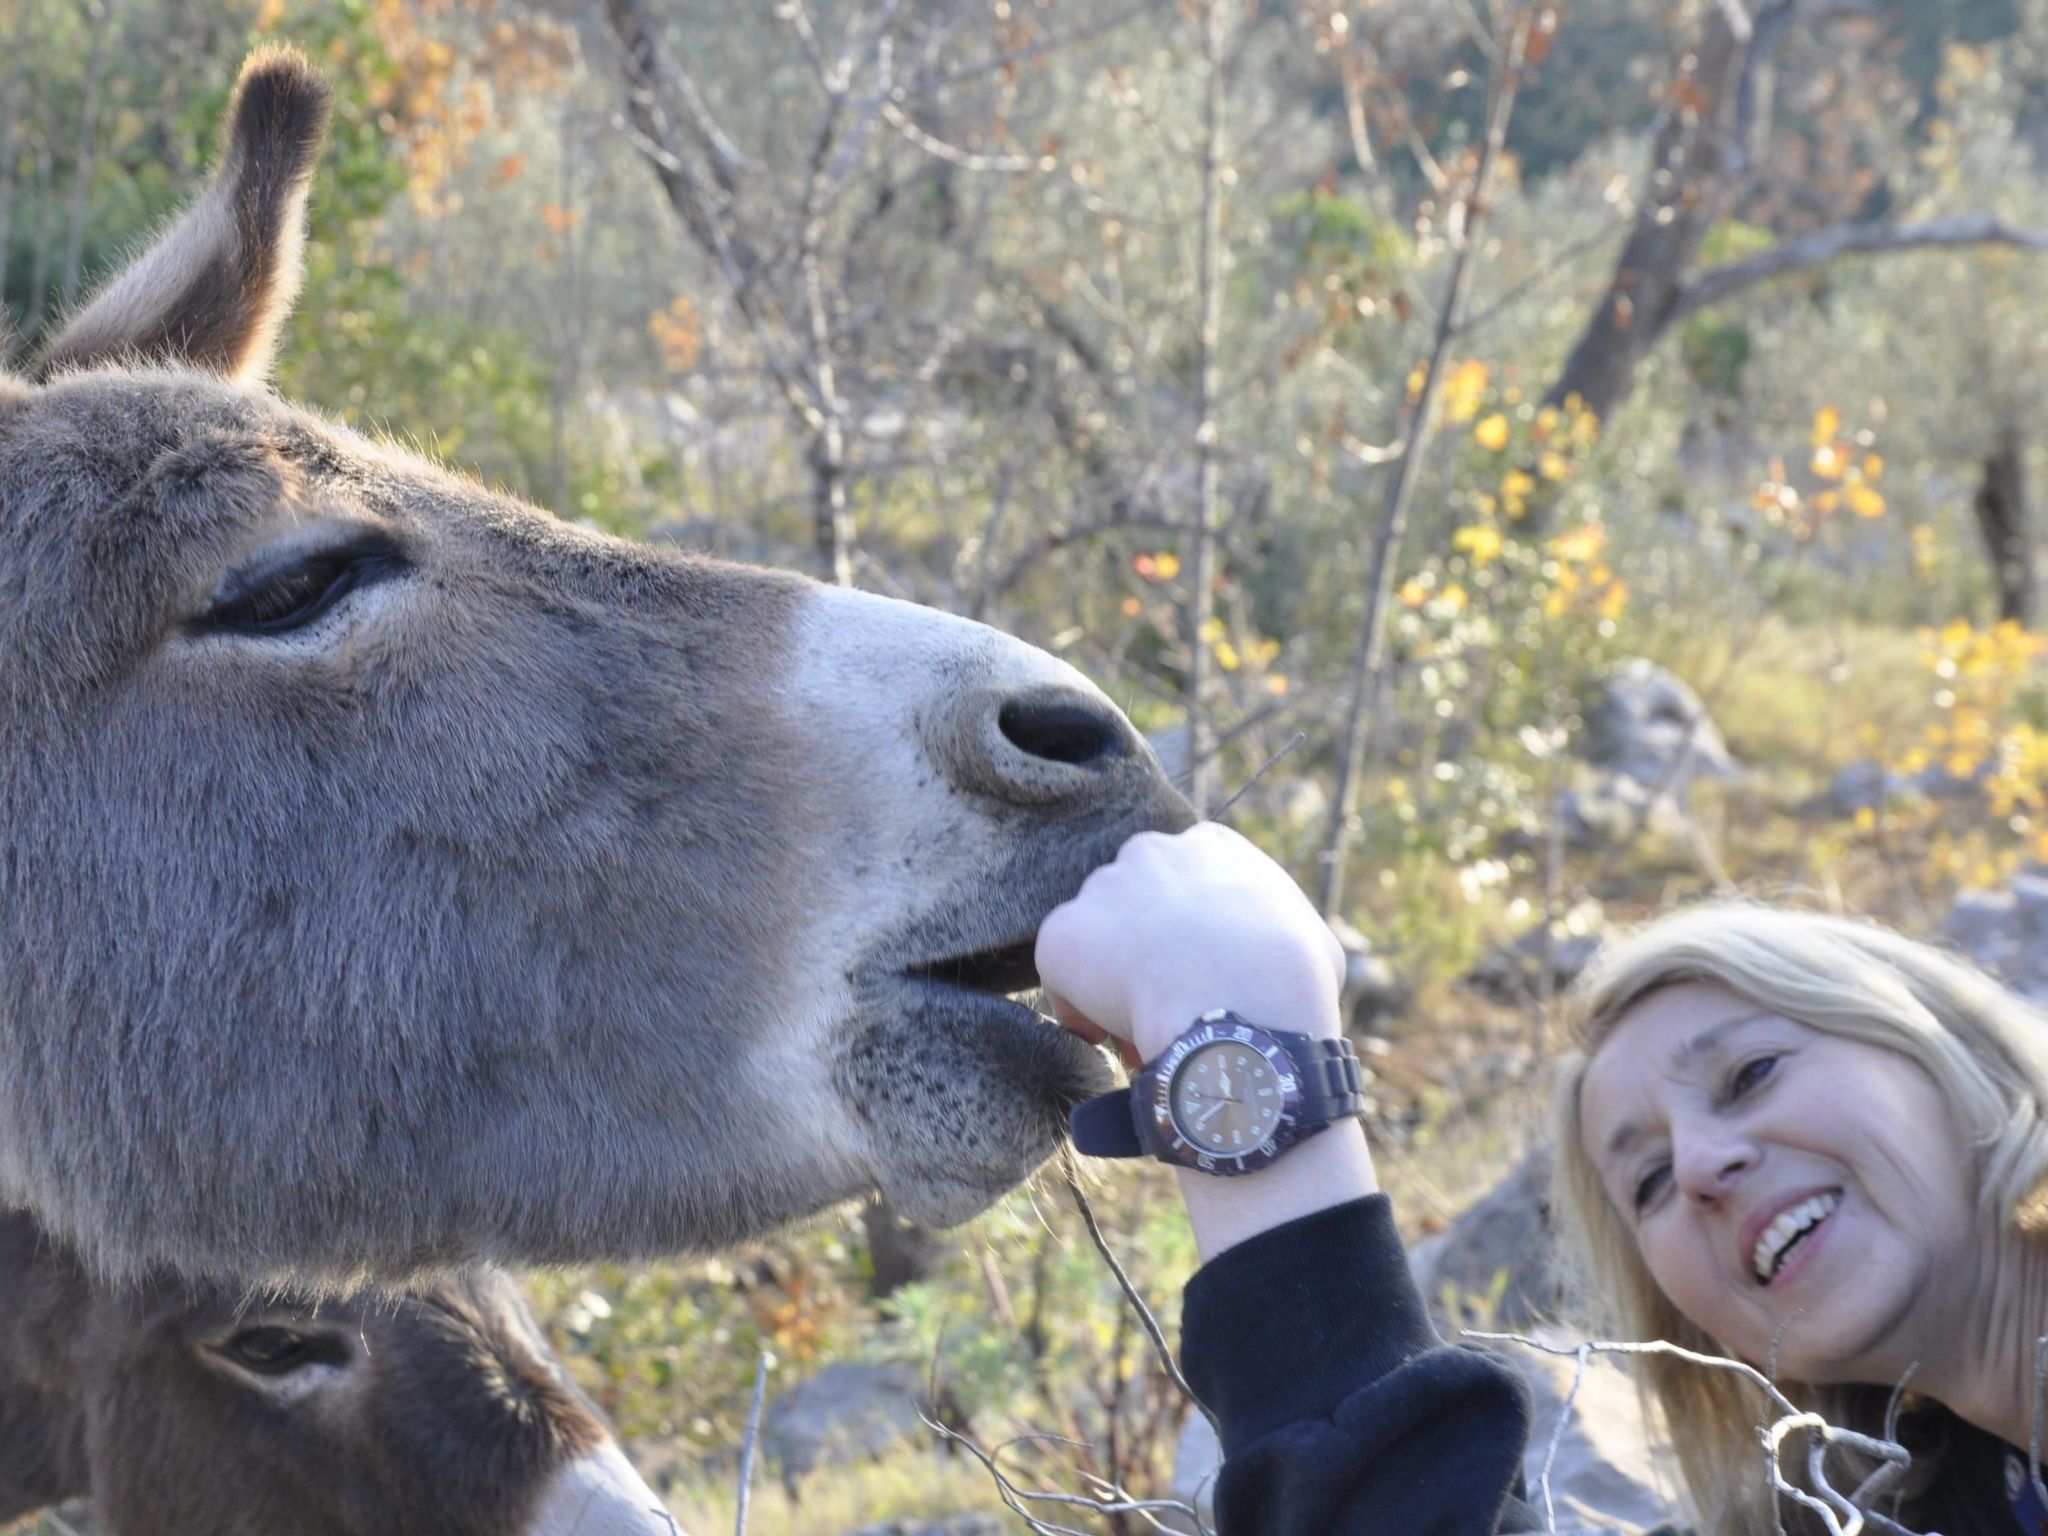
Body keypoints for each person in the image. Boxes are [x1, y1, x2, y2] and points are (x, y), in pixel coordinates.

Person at [1035, 822, 2048, 1535]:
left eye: (1751, 1074)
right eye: (1645, 1183)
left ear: (1945, 1051)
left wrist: (1246, 1042)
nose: (1698, 1166)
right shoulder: (1932, 1502)